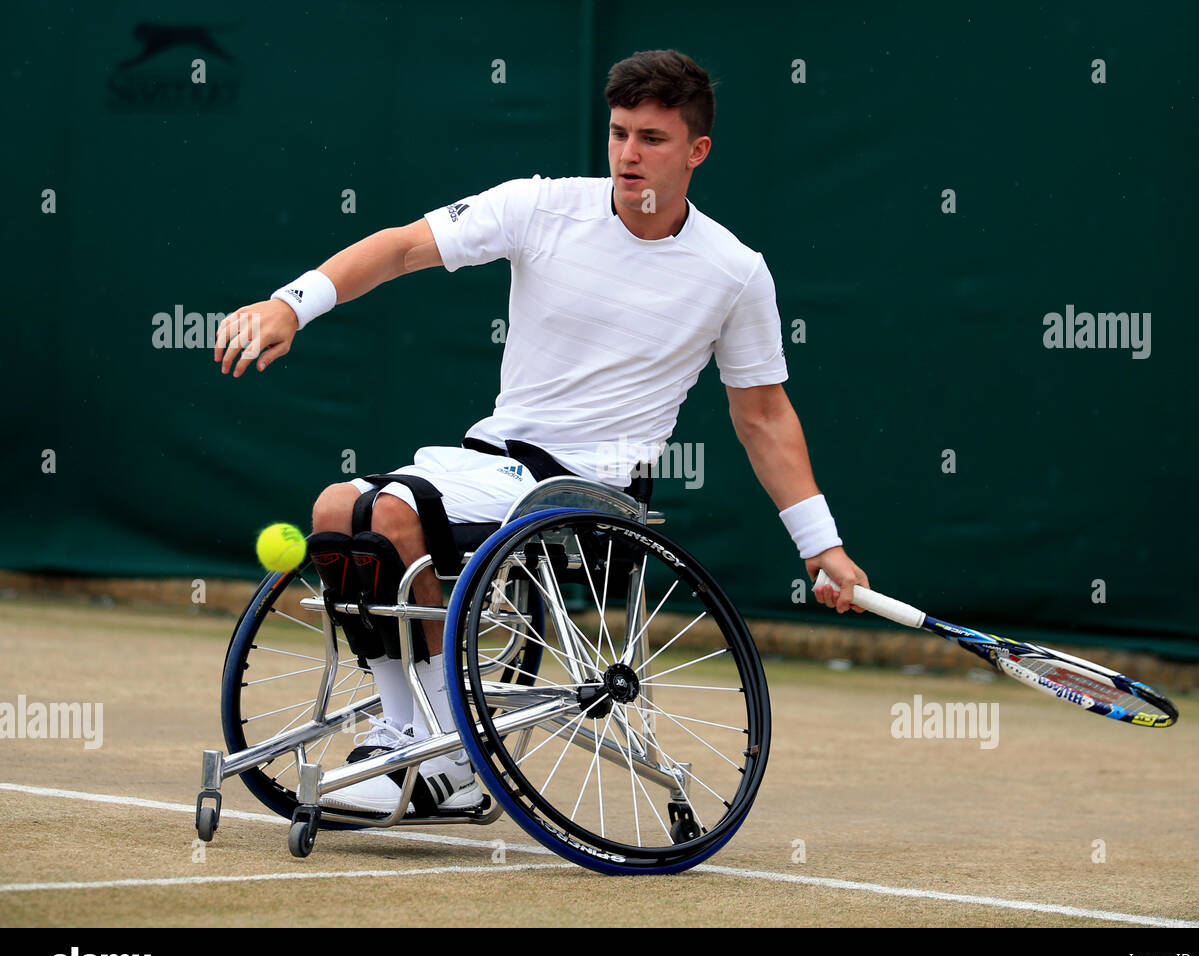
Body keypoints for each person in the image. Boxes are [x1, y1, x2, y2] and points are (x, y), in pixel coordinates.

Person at [214, 49, 869, 816]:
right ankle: (406, 732)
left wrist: (820, 546)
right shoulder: (541, 205)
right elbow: (400, 246)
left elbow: (763, 416)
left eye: (653, 139)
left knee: (390, 512)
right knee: (334, 510)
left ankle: (451, 754)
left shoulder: (735, 273)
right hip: (497, 463)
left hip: (591, 499)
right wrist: (292, 305)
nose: (629, 154)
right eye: (620, 132)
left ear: (697, 151)